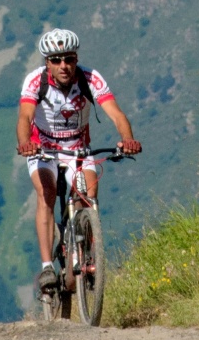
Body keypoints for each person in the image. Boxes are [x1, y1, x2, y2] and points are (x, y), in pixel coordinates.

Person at [16, 28, 141, 291]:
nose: (64, 66)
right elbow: (25, 117)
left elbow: (116, 114)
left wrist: (127, 139)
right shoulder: (34, 81)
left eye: (70, 59)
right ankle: (47, 267)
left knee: (90, 192)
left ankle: (86, 251)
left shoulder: (90, 79)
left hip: (78, 148)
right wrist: (26, 144)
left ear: (76, 58)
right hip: (43, 149)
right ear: (47, 62)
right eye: (56, 60)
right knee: (46, 193)